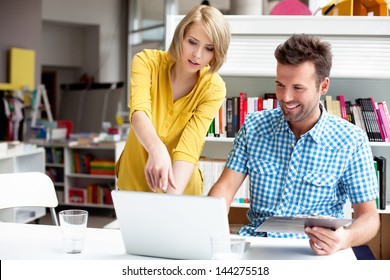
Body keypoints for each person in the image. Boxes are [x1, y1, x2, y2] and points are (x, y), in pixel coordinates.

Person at [208, 33, 380, 255]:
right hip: (258, 245)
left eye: (298, 88)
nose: (286, 97)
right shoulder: (254, 127)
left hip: (314, 252)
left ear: (323, 85)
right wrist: (210, 228)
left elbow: (369, 217)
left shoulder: (351, 140)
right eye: (280, 85)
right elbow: (225, 188)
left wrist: (344, 237)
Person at [116, 5, 231, 195]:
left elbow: (190, 146)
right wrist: (157, 149)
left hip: (181, 184)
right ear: (181, 36)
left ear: (216, 53)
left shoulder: (213, 88)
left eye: (209, 48)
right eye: (192, 42)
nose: (197, 55)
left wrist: (171, 201)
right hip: (134, 180)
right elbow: (139, 113)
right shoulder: (146, 62)